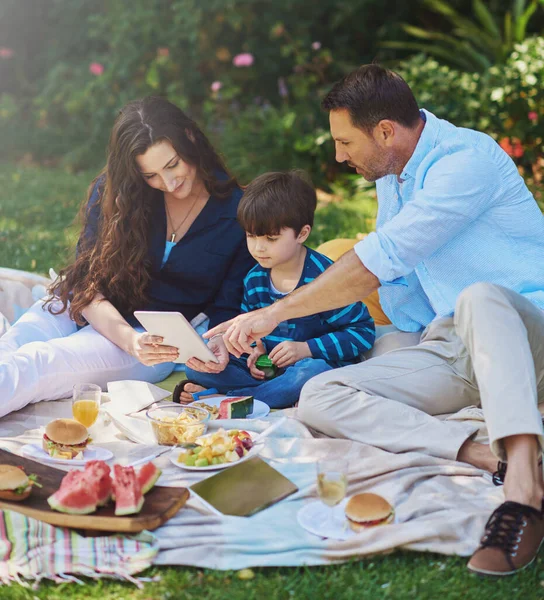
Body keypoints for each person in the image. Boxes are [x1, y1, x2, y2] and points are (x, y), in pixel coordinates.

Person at [206, 65, 544, 576]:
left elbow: (376, 262)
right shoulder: (393, 177)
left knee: (479, 298)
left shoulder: (464, 163)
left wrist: (275, 311)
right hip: (456, 345)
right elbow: (398, 292)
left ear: (385, 131)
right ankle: (481, 456)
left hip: (523, 330)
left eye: (345, 142)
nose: (339, 155)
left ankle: (522, 495)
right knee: (320, 394)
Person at [0, 96, 254, 416]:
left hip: (150, 342)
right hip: (88, 305)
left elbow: (226, 310)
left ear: (190, 138)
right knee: (8, 346)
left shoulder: (238, 212)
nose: (169, 182)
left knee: (37, 363)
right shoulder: (118, 193)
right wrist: (124, 338)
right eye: (152, 175)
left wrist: (213, 348)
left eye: (173, 164)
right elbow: (84, 283)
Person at [179, 171, 375, 408]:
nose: (259, 248)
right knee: (197, 366)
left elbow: (362, 332)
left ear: (302, 234)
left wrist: (306, 349)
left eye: (271, 238)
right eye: (251, 236)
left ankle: (229, 400)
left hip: (313, 366)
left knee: (310, 373)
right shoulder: (254, 279)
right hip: (270, 370)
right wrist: (255, 352)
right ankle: (256, 396)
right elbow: (253, 334)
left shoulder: (324, 278)